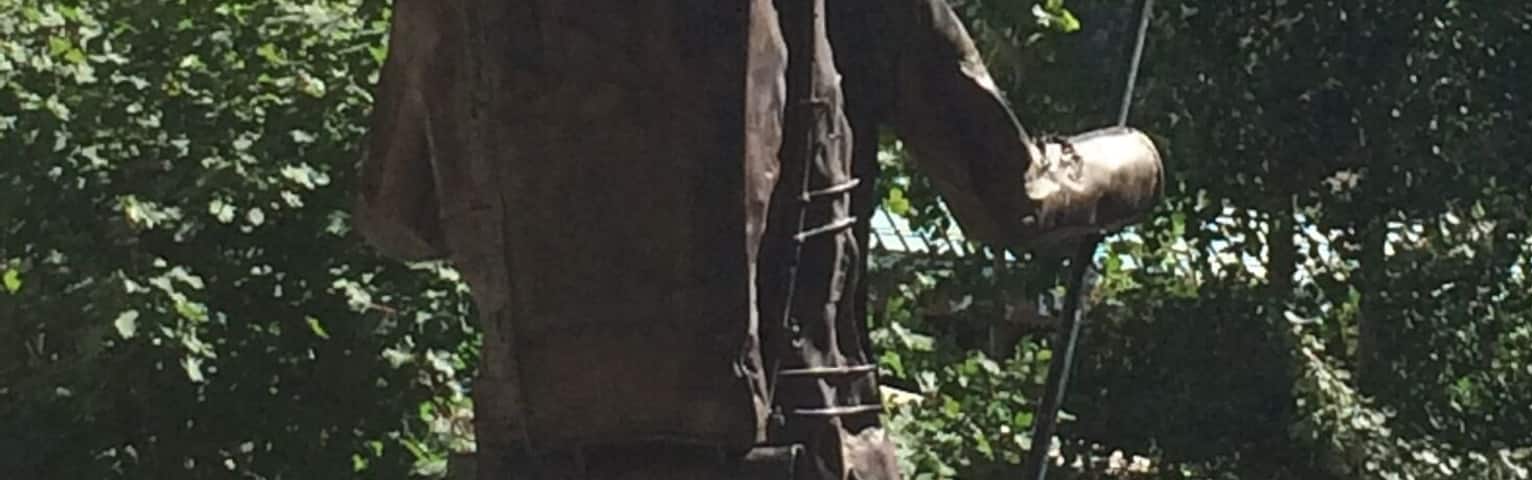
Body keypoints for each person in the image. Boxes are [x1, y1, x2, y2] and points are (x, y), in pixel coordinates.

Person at [353, 0, 1162, 478]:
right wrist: (1133, 162)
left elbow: (399, 216)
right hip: (786, 446)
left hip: (533, 453)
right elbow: (1010, 198)